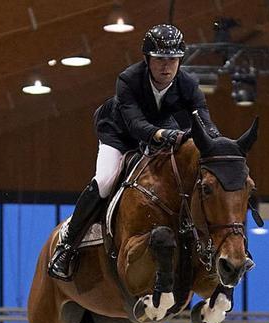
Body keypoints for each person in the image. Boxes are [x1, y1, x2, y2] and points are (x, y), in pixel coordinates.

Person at [47, 23, 221, 281]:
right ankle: (68, 244)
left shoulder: (187, 84)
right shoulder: (128, 79)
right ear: (147, 59)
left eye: (173, 59)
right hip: (119, 133)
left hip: (162, 131)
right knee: (106, 180)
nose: (167, 67)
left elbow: (204, 120)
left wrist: (217, 142)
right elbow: (136, 125)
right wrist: (164, 135)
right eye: (160, 59)